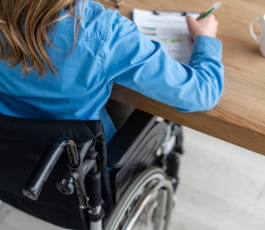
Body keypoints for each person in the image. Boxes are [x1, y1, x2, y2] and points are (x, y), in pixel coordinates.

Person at [0, 0, 223, 142]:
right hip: (75, 170)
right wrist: (206, 39)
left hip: (11, 161)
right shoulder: (105, 32)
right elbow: (202, 93)